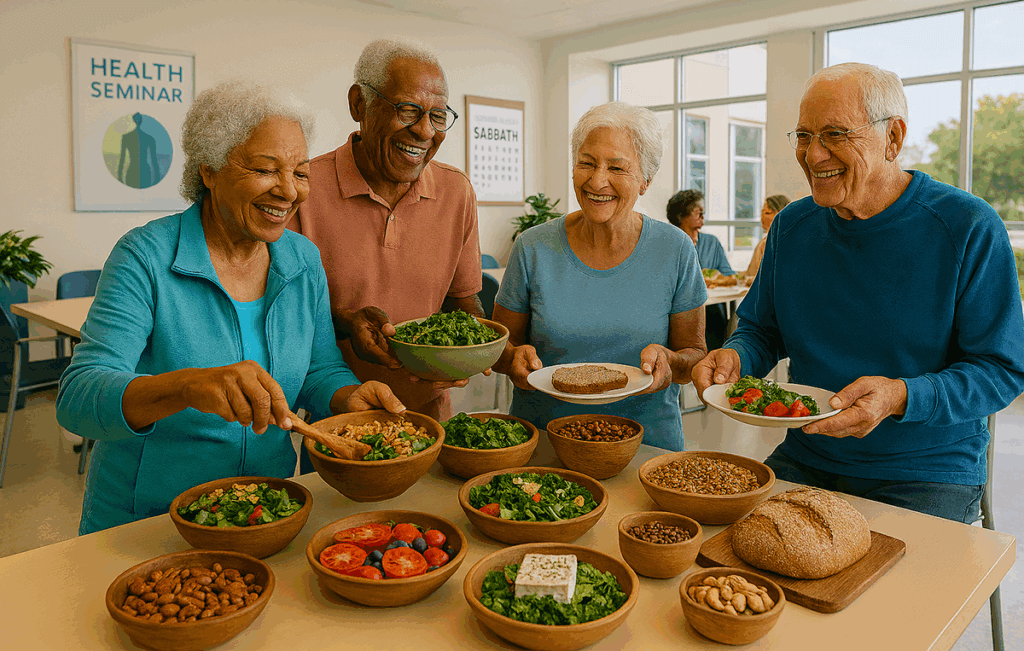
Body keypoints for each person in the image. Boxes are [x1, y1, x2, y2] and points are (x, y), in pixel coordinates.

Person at [57, 81, 405, 535]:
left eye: (300, 172)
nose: (289, 191)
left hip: (266, 512)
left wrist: (346, 397)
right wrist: (188, 387)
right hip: (148, 523)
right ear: (209, 170)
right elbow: (78, 398)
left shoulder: (302, 260)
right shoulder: (145, 256)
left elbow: (320, 369)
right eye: (266, 169)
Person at [692, 62, 1024, 522]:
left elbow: (1001, 370)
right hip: (808, 457)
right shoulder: (793, 226)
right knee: (730, 565)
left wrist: (901, 396)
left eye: (835, 134)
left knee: (879, 593)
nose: (813, 155)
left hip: (926, 472)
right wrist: (736, 356)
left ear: (893, 138)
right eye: (804, 136)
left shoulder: (968, 226)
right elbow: (761, 330)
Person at [492, 102, 707, 451]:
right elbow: (501, 348)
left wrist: (671, 362)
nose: (597, 180)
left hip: (647, 445)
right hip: (544, 442)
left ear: (645, 181)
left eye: (617, 168)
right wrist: (512, 359)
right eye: (587, 163)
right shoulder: (533, 247)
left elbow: (694, 355)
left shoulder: (675, 249)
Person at [288, 39, 483, 422]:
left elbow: (464, 303)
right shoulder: (300, 190)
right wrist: (347, 324)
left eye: (439, 116)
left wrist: (469, 349)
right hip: (338, 420)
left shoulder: (456, 191)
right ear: (359, 104)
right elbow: (283, 318)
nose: (425, 131)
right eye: (409, 110)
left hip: (432, 418)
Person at [666, 189, 733, 350]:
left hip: (711, 312)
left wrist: (713, 279)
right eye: (699, 214)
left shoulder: (711, 243)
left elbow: (729, 276)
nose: (703, 220)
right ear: (681, 216)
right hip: (675, 314)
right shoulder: (666, 242)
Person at [744, 194, 790, 279]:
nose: (763, 217)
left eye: (767, 213)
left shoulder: (781, 243)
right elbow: (752, 273)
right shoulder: (764, 241)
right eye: (762, 213)